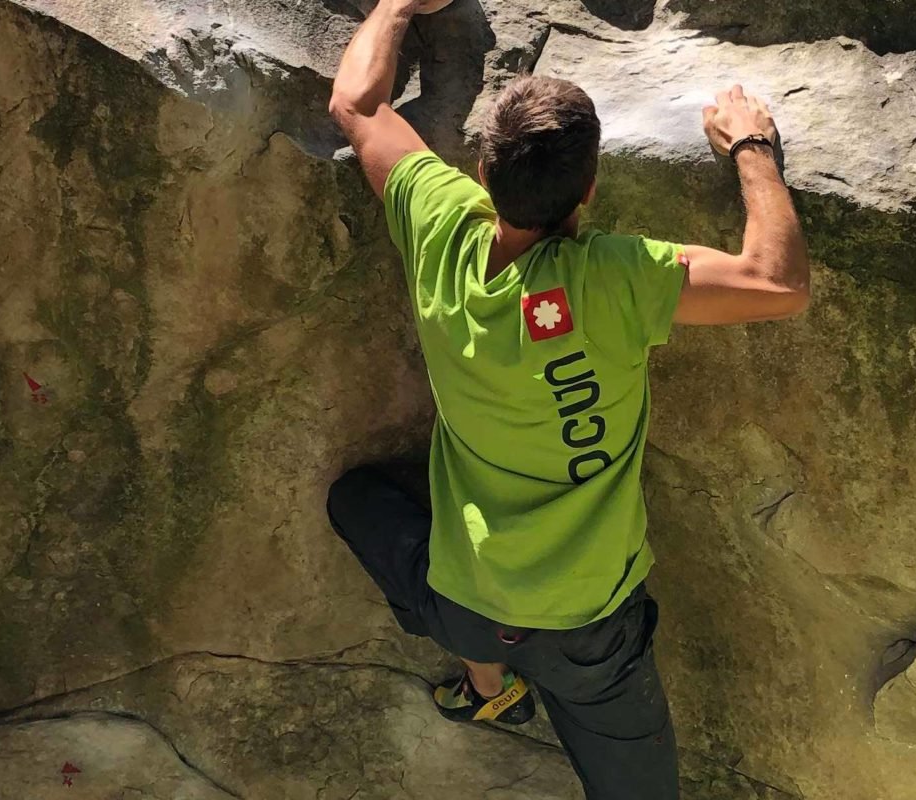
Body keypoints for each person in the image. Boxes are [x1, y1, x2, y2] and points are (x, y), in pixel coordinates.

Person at [322, 0, 809, 796]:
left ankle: (488, 686)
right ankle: (498, 681)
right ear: (588, 190)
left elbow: (357, 103)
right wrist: (753, 145)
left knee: (356, 504)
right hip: (587, 631)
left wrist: (399, 5)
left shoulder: (440, 230)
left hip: (465, 598)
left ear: (482, 172)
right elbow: (777, 283)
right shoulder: (615, 278)